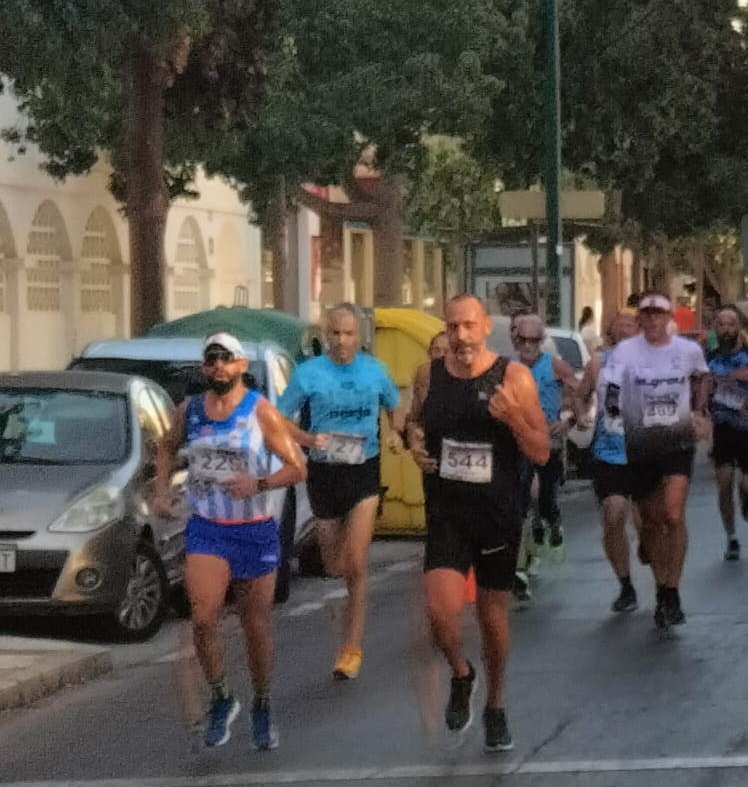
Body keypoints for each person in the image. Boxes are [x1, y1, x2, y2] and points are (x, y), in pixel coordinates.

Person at [405, 295, 551, 752]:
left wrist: (511, 418)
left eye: (469, 325)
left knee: (491, 617)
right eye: (453, 327)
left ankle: (496, 705)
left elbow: (542, 451)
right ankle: (462, 674)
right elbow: (411, 423)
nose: (461, 336)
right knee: (438, 609)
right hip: (448, 510)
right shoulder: (429, 375)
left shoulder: (513, 378)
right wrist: (412, 442)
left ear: (486, 326)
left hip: (497, 513)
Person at [153, 331, 306, 751]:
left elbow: (297, 468)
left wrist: (259, 482)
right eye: (210, 359)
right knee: (203, 616)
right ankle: (222, 697)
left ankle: (261, 701)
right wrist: (162, 490)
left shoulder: (262, 413)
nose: (217, 365)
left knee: (255, 626)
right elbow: (165, 447)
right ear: (204, 368)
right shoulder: (190, 411)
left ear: (241, 366)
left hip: (254, 529)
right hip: (207, 526)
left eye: (226, 358)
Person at [277, 303, 400, 682]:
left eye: (349, 333)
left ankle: (350, 646)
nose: (342, 341)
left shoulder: (375, 370)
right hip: (324, 473)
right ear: (324, 336)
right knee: (334, 565)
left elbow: (396, 407)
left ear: (359, 336)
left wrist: (396, 431)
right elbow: (279, 418)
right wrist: (307, 438)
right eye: (335, 333)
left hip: (364, 470)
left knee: (357, 564)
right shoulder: (309, 373)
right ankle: (345, 606)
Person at [611, 289, 710, 628]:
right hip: (640, 444)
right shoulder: (626, 351)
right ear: (639, 319)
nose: (653, 319)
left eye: (659, 314)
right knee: (651, 524)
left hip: (677, 442)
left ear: (669, 318)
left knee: (673, 514)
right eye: (647, 314)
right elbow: (612, 385)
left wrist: (700, 411)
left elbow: (702, 376)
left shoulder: (687, 350)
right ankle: (661, 587)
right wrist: (612, 415)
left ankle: (674, 590)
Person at [579, 308, 642, 612]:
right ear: (612, 332)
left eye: (631, 326)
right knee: (613, 516)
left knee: (649, 525)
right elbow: (581, 395)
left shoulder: (651, 362)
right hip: (609, 452)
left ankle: (655, 565)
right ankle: (626, 585)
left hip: (645, 452)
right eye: (620, 327)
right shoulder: (598, 364)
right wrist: (579, 415)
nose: (626, 331)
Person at [511, 313, 582, 558]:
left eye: (534, 340)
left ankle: (551, 522)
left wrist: (570, 421)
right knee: (526, 492)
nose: (528, 346)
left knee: (544, 494)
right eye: (523, 340)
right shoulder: (509, 367)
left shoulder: (554, 365)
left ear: (541, 341)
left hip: (549, 440)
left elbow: (581, 392)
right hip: (519, 441)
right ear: (516, 341)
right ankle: (527, 546)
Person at [705, 304, 748, 562]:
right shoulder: (708, 358)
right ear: (715, 329)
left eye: (732, 324)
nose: (727, 329)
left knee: (747, 485)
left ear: (738, 328)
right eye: (722, 324)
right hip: (722, 428)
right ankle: (731, 537)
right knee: (723, 485)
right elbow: (700, 385)